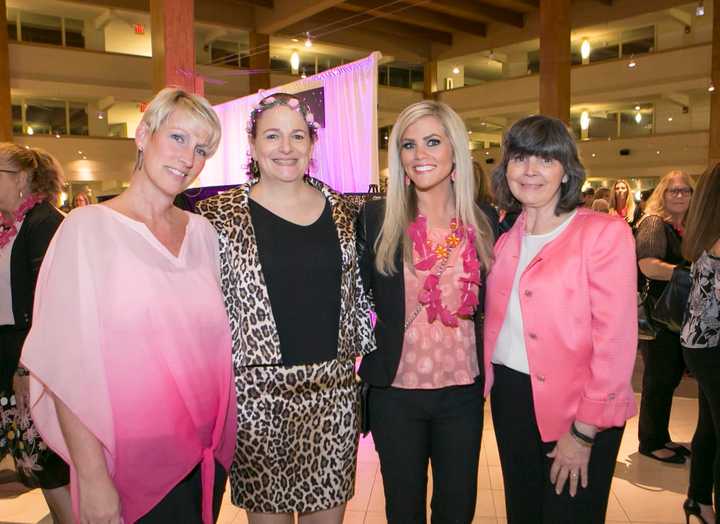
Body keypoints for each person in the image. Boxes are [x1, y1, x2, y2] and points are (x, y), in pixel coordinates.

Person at [21, 87, 236, 524]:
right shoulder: (86, 231)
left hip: (206, 456)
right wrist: (92, 473)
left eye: (201, 149)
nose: (188, 158)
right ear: (143, 135)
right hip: (128, 461)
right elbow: (67, 364)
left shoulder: (203, 235)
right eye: (177, 138)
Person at [196, 93, 376, 524]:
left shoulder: (344, 212)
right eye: (272, 136)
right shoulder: (217, 216)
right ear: (253, 145)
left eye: (297, 136)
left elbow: (363, 294)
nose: (286, 147)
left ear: (312, 145)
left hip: (332, 395)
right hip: (257, 399)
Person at [485, 115, 637, 524]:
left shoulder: (604, 234)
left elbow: (616, 343)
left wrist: (584, 431)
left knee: (569, 515)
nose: (530, 170)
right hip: (512, 398)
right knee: (523, 511)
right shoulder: (505, 239)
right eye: (519, 158)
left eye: (545, 160)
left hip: (579, 406)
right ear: (506, 169)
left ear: (567, 171)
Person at [356, 100, 497, 523]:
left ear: (455, 150)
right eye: (408, 144)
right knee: (404, 511)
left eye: (432, 142)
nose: (420, 155)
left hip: (461, 393)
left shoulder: (485, 219)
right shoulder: (376, 217)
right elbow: (357, 294)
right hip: (395, 392)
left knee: (457, 510)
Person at [0, 144, 72, 523]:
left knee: (45, 460)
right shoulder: (9, 227)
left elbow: (51, 304)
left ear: (23, 179)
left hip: (31, 355)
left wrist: (27, 367)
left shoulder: (45, 224)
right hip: (9, 350)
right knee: (34, 461)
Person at [636, 169, 694, 464]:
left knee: (669, 378)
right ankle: (650, 442)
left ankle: (661, 436)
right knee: (658, 379)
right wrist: (688, 273)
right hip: (658, 315)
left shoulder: (685, 227)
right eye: (674, 191)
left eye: (686, 191)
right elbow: (648, 266)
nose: (680, 195)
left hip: (675, 315)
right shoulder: (654, 223)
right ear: (663, 194)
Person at [680, 163, 720, 524]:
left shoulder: (705, 233)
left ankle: (696, 499)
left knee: (710, 423)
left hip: (700, 344)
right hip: (712, 346)